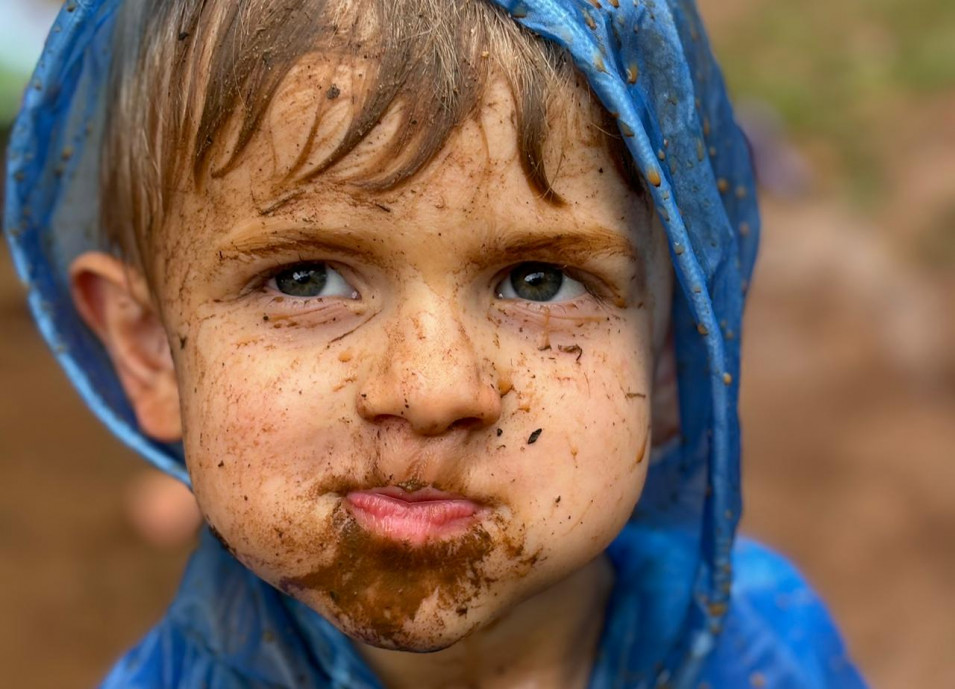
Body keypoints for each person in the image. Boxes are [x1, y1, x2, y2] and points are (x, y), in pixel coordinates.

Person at [3, 0, 868, 687]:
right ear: (151, 348)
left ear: (671, 349)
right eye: (304, 278)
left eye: (539, 279)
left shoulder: (772, 650)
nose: (430, 387)